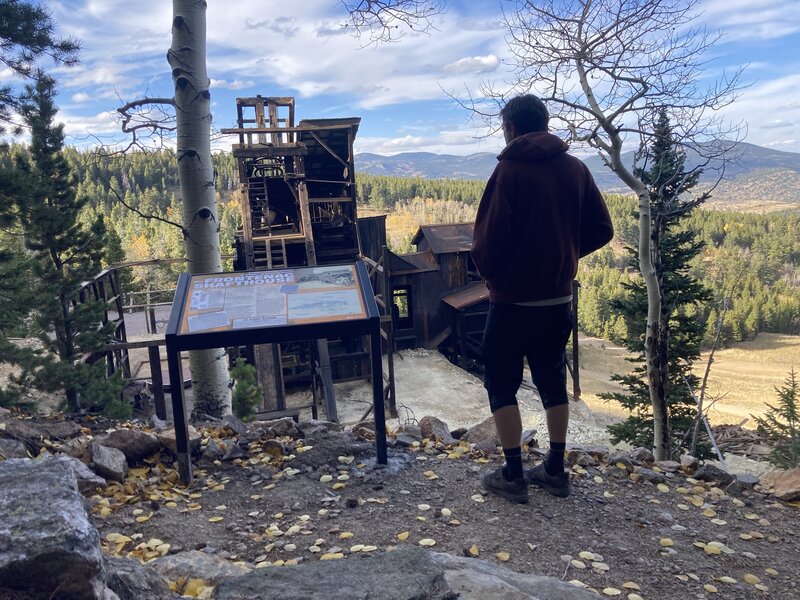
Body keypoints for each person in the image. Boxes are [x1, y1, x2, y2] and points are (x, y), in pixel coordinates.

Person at [471, 94, 613, 504]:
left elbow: (488, 242)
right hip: (557, 301)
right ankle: (554, 469)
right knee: (552, 382)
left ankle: (513, 474)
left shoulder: (509, 171)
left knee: (501, 383)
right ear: (545, 123)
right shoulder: (576, 169)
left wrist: (493, 276)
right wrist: (563, 255)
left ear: (511, 127)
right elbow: (602, 229)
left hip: (512, 302)